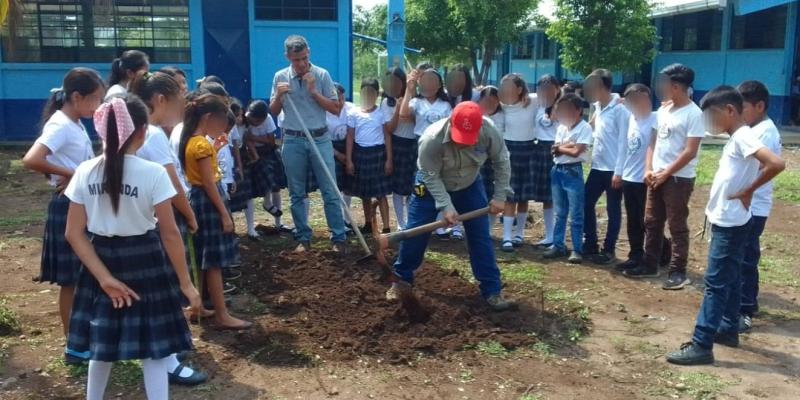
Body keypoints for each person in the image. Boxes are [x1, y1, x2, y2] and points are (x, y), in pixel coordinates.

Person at [63, 96, 202, 400]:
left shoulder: (85, 171)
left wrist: (104, 278)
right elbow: (169, 234)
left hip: (100, 260)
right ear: (141, 131)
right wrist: (187, 284)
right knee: (154, 349)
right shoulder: (152, 172)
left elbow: (74, 234)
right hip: (146, 261)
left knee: (101, 346)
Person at [666, 86, 785, 366]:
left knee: (715, 283)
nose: (709, 123)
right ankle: (728, 329)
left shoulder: (744, 136)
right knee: (729, 278)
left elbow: (776, 163)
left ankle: (701, 343)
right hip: (728, 219)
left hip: (731, 223)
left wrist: (749, 190)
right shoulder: (737, 136)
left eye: (712, 116)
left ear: (730, 111)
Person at [387, 101, 513, 311]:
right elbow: (429, 174)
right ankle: (401, 281)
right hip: (431, 184)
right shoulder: (431, 139)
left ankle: (492, 291)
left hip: (469, 184)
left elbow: (502, 162)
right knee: (414, 233)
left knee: (480, 236)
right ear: (450, 123)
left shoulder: (489, 130)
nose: (464, 144)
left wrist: (500, 196)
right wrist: (445, 205)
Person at [128, 71, 210, 385]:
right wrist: (189, 215)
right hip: (164, 217)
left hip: (145, 218)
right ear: (160, 100)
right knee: (172, 285)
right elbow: (172, 183)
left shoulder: (139, 130)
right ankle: (170, 359)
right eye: (178, 101)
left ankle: (166, 352)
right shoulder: (153, 134)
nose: (181, 108)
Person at [22, 68, 104, 364]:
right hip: (66, 204)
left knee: (81, 276)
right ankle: (73, 345)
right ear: (76, 96)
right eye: (95, 99)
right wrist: (73, 173)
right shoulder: (60, 124)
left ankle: (81, 338)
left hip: (77, 202)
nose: (97, 106)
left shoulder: (75, 122)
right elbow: (31, 159)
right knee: (71, 279)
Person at [624, 64, 704, 290]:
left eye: (664, 83)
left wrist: (667, 172)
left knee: (677, 225)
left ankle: (678, 271)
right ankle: (650, 263)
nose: (660, 87)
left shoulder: (694, 114)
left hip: (678, 179)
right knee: (651, 221)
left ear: (676, 86)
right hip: (656, 176)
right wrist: (649, 168)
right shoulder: (664, 111)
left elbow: (690, 151)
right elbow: (653, 142)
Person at [179, 93, 252, 330]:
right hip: (209, 201)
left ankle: (198, 306)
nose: (224, 128)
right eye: (222, 122)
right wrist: (223, 213)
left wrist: (216, 147)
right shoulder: (200, 144)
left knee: (204, 257)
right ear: (208, 117)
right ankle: (222, 314)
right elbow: (209, 183)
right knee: (214, 261)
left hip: (201, 199)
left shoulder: (193, 139)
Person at [269, 35, 346, 253]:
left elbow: (335, 109)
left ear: (309, 52)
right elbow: (273, 112)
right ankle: (303, 236)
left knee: (329, 189)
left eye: (304, 58)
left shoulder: (322, 75)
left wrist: (313, 92)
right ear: (288, 57)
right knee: (296, 192)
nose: (301, 64)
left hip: (320, 138)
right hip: (293, 138)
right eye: (296, 60)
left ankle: (338, 237)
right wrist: (279, 96)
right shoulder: (280, 77)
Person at [736, 80, 783, 332]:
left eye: (742, 107)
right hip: (748, 205)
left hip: (753, 206)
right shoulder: (753, 129)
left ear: (759, 105)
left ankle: (745, 309)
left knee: (746, 257)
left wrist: (747, 190)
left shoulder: (764, 132)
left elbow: (768, 166)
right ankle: (740, 304)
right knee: (742, 255)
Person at [399, 66, 457, 239]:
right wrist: (409, 89)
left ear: (439, 85)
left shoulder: (446, 105)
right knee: (417, 186)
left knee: (439, 183)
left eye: (433, 80)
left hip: (440, 147)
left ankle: (439, 225)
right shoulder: (416, 102)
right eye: (425, 80)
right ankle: (414, 222)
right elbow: (403, 114)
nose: (429, 84)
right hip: (419, 146)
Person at [581, 69, 630, 264]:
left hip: (613, 169)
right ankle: (590, 243)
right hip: (598, 166)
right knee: (586, 203)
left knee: (613, 209)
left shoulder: (621, 110)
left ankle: (609, 249)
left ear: (603, 87)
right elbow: (591, 128)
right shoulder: (598, 107)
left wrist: (619, 172)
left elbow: (624, 143)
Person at [543, 94, 593, 263]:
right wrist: (570, 145)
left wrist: (563, 147)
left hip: (573, 172)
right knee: (560, 212)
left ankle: (577, 249)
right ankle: (558, 245)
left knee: (576, 213)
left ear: (578, 110)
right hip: (558, 170)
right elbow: (555, 149)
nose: (563, 113)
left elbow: (576, 152)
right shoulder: (562, 128)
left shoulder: (585, 127)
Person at [615, 84, 658, 273]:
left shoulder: (657, 118)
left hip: (645, 179)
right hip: (629, 177)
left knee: (646, 220)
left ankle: (656, 255)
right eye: (634, 100)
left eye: (643, 99)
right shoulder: (631, 119)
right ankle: (635, 255)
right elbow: (624, 148)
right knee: (633, 220)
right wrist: (620, 172)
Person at [346, 78, 393, 234]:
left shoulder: (381, 113)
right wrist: (349, 160)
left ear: (376, 94)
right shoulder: (354, 113)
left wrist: (389, 160)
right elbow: (350, 137)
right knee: (364, 193)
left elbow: (387, 137)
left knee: (381, 194)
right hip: (360, 154)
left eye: (372, 92)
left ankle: (386, 227)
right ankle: (368, 223)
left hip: (378, 154)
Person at [498, 73, 538, 252]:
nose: (505, 90)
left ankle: (519, 233)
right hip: (508, 151)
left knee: (523, 195)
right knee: (509, 195)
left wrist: (617, 98)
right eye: (503, 87)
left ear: (520, 89)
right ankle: (506, 236)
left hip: (528, 149)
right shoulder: (500, 107)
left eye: (509, 87)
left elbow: (557, 95)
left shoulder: (533, 101)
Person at [245, 100, 290, 233]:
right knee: (263, 183)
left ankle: (278, 224)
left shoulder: (268, 119)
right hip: (253, 154)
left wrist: (255, 138)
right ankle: (253, 224)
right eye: (253, 119)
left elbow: (271, 141)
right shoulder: (245, 120)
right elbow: (246, 140)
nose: (255, 122)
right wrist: (255, 154)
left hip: (268, 151)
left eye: (258, 120)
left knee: (275, 186)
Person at [381, 68, 416, 231]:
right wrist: (398, 108)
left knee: (413, 186)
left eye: (397, 81)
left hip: (414, 145)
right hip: (397, 145)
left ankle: (411, 220)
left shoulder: (415, 99)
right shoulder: (386, 103)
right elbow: (390, 129)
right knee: (397, 187)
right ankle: (401, 223)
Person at [532, 75, 561, 248]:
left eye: (550, 87)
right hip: (539, 150)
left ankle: (558, 236)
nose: (546, 91)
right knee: (546, 198)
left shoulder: (563, 104)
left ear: (557, 89)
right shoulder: (538, 103)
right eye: (542, 88)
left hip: (556, 151)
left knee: (557, 197)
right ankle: (550, 235)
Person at [327, 83, 356, 231]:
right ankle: (337, 220)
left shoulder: (351, 108)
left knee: (348, 185)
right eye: (336, 98)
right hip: (331, 149)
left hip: (350, 147)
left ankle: (347, 218)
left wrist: (348, 156)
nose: (340, 102)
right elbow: (323, 139)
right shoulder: (323, 112)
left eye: (342, 97)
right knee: (335, 185)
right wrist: (338, 155)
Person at [478, 85, 504, 201]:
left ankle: (490, 219)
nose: (489, 105)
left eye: (494, 101)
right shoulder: (475, 115)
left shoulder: (503, 114)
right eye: (486, 101)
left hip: (496, 157)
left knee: (491, 193)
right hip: (478, 157)